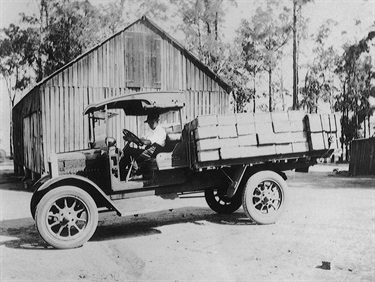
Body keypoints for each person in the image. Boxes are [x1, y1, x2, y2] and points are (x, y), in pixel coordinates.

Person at [121, 111, 167, 177]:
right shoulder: (151, 131)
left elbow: (147, 142)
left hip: (155, 152)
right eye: (149, 122)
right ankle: (130, 172)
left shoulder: (159, 130)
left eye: (152, 122)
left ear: (157, 120)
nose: (150, 124)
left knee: (129, 151)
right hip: (150, 151)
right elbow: (142, 139)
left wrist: (133, 139)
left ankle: (124, 173)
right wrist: (132, 138)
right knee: (128, 150)